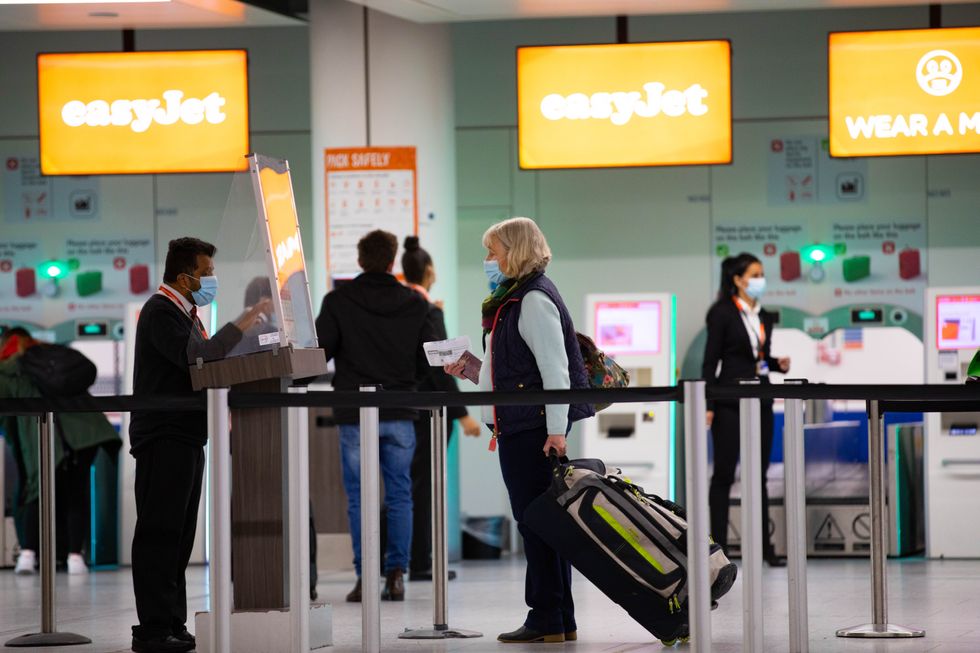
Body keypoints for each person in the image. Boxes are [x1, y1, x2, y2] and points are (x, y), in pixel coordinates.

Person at [445, 217, 594, 644]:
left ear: (514, 252)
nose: (488, 261)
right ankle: (558, 619)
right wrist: (471, 369)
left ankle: (546, 617)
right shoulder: (513, 300)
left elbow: (555, 370)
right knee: (547, 524)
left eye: (493, 252)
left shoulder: (532, 300)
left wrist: (555, 430)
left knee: (536, 524)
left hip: (532, 432)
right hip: (525, 426)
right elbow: (511, 371)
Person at [129, 237, 271, 653]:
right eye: (206, 273)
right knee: (159, 533)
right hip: (163, 435)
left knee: (180, 534)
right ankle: (152, 629)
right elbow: (200, 358)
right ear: (183, 276)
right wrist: (244, 321)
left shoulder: (185, 313)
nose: (211, 279)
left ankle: (172, 620)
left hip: (187, 434)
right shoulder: (160, 312)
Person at [314, 229, 437, 603]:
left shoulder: (337, 301)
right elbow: (427, 360)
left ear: (359, 259)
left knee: (359, 497)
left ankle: (365, 576)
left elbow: (319, 353)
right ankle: (397, 575)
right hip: (400, 410)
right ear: (392, 261)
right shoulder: (415, 304)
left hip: (355, 413)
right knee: (400, 494)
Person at [0, 328, 120, 576]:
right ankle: (75, 557)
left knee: (36, 491)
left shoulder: (12, 364)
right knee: (76, 493)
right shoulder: (53, 355)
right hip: (87, 432)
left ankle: (27, 555)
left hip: (46, 435)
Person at [400, 236, 482, 582]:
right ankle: (421, 560)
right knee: (423, 485)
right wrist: (462, 414)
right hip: (430, 411)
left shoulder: (402, 306)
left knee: (403, 485)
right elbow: (442, 365)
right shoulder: (429, 310)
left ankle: (403, 559)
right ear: (430, 271)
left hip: (401, 407)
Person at [701, 252, 791, 568]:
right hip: (728, 401)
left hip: (761, 397)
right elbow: (711, 361)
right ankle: (717, 550)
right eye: (755, 274)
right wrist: (709, 404)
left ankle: (765, 548)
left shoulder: (762, 315)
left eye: (761, 274)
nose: (760, 280)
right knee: (724, 475)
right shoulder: (722, 312)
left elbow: (757, 357)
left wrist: (775, 364)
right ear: (738, 280)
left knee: (759, 475)